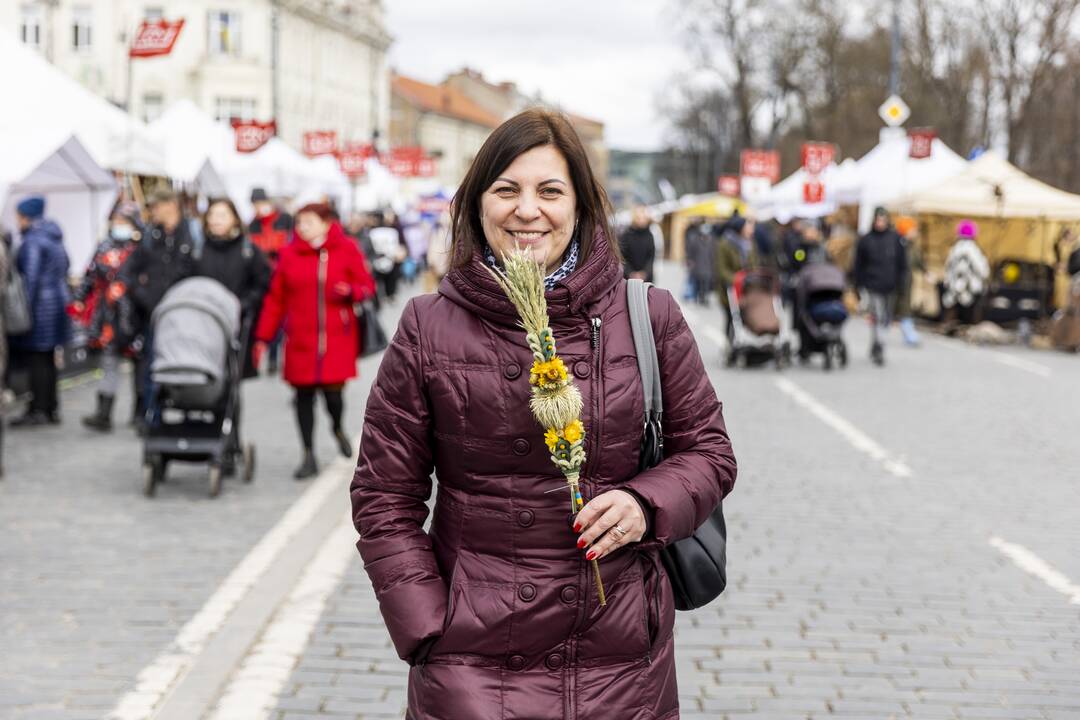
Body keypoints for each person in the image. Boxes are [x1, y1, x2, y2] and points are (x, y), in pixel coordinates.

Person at [350, 109, 737, 719]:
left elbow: (710, 454)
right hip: (472, 663)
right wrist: (425, 625)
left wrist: (645, 504)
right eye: (506, 190)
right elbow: (383, 495)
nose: (527, 210)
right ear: (477, 205)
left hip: (618, 660)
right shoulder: (428, 326)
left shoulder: (649, 314)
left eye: (549, 191)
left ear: (580, 206)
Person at [254, 203, 376, 479]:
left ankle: (337, 427)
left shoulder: (346, 249)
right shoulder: (289, 255)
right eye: (299, 222)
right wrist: (263, 337)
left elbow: (368, 286)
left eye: (308, 221)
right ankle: (307, 453)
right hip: (300, 339)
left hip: (336, 339)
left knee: (334, 396)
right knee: (302, 398)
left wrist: (351, 291)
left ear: (325, 222)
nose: (301, 227)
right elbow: (276, 299)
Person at [116, 188, 198, 427]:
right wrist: (143, 295)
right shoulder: (152, 235)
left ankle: (189, 417)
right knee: (153, 365)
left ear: (170, 205)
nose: (152, 212)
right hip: (154, 313)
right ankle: (152, 416)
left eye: (155, 207)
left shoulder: (191, 233)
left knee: (186, 364)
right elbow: (128, 270)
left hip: (185, 312)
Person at [71, 204, 144, 431]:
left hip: (136, 313)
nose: (119, 225)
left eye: (124, 221)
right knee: (109, 361)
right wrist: (80, 297)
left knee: (140, 363)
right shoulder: (104, 247)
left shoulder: (142, 248)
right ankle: (104, 413)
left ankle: (140, 413)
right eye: (117, 220)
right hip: (109, 316)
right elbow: (90, 275)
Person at [8, 197, 70, 427]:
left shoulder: (33, 241)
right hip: (56, 304)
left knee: (38, 360)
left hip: (41, 308)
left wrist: (24, 311)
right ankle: (50, 407)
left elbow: (30, 280)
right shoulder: (53, 237)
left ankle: (39, 409)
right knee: (47, 359)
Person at [196, 198, 272, 378]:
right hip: (202, 323)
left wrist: (244, 304)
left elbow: (263, 283)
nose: (215, 220)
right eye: (212, 215)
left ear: (235, 219)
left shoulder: (249, 251)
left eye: (222, 215)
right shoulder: (197, 249)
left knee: (231, 379)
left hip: (239, 325)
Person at [854, 207, 908, 366]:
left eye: (883, 220)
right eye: (878, 220)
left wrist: (902, 282)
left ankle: (876, 343)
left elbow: (902, 263)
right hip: (872, 283)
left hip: (890, 284)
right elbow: (859, 264)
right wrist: (859, 284)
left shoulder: (895, 239)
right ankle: (880, 345)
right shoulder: (866, 240)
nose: (880, 223)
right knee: (877, 315)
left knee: (886, 317)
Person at [248, 188, 293, 373]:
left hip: (281, 275)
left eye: (260, 203)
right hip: (263, 277)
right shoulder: (253, 225)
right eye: (255, 205)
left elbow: (288, 245)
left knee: (280, 319)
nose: (258, 208)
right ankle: (265, 351)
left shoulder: (284, 219)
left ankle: (274, 355)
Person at [714, 215, 760, 339]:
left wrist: (754, 277)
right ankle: (730, 345)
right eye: (748, 226)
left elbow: (755, 264)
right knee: (731, 318)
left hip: (748, 289)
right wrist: (738, 279)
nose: (751, 229)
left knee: (747, 317)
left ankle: (746, 343)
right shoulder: (725, 244)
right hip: (729, 290)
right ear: (740, 228)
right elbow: (722, 269)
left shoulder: (750, 244)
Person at [941, 219, 990, 326]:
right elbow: (983, 270)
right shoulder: (973, 249)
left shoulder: (954, 249)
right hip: (971, 291)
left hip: (954, 291)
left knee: (953, 319)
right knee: (970, 321)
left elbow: (947, 269)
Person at [893, 216, 923, 346]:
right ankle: (907, 331)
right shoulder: (899, 245)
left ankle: (908, 330)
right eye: (913, 230)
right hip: (897, 279)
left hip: (907, 279)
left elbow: (918, 262)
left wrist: (926, 272)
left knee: (905, 305)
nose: (915, 233)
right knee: (900, 305)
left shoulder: (911, 246)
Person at [619, 205, 656, 282]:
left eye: (643, 217)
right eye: (639, 217)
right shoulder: (626, 235)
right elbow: (622, 257)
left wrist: (645, 273)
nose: (641, 220)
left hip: (646, 278)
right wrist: (630, 273)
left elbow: (651, 257)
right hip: (628, 278)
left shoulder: (649, 236)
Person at [684, 216, 712, 304]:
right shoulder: (695, 239)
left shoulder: (711, 241)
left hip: (707, 266)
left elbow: (712, 254)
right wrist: (689, 260)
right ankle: (696, 296)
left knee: (705, 283)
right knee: (697, 282)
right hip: (698, 265)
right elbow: (691, 250)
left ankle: (703, 298)